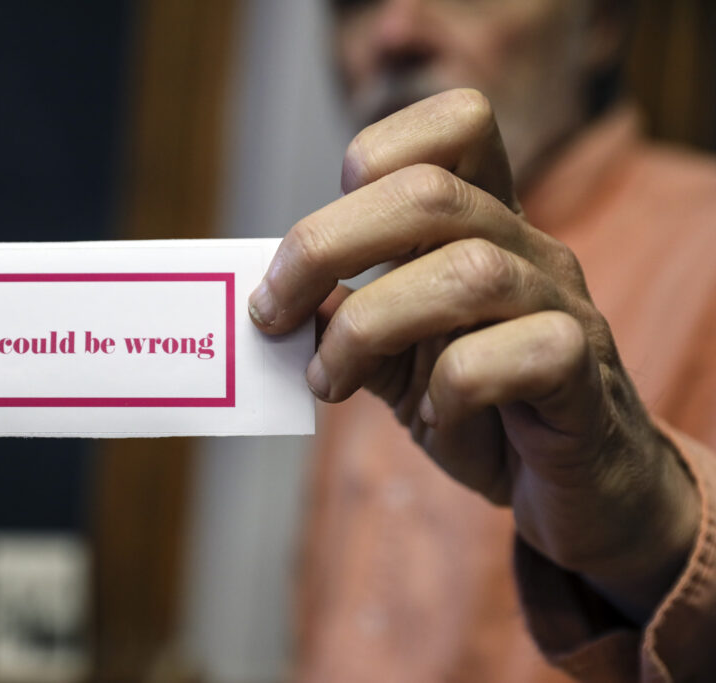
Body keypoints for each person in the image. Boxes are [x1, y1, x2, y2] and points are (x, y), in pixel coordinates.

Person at [247, 0, 716, 680]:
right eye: (352, 3)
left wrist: (655, 533)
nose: (394, 32)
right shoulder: (343, 284)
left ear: (603, 23)